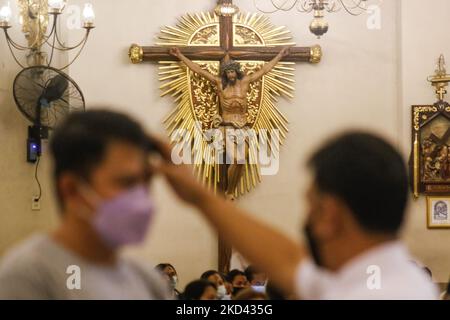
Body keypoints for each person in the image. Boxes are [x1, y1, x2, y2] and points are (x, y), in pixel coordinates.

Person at [154, 131, 440, 299]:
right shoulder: (375, 276)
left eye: (310, 205)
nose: (306, 220)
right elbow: (288, 258)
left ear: (329, 214)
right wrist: (199, 196)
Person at [0, 110, 171, 299]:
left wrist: (199, 198)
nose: (142, 198)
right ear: (72, 190)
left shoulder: (145, 278)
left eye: (146, 182)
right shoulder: (29, 276)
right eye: (126, 183)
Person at [169, 46, 290, 196]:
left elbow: (264, 70)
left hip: (243, 128)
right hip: (227, 128)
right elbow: (199, 71)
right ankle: (230, 193)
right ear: (225, 74)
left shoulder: (245, 82)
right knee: (237, 159)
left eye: (232, 71)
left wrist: (279, 55)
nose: (230, 74)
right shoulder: (219, 84)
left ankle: (230, 191)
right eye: (228, 72)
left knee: (241, 161)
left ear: (237, 72)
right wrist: (180, 55)